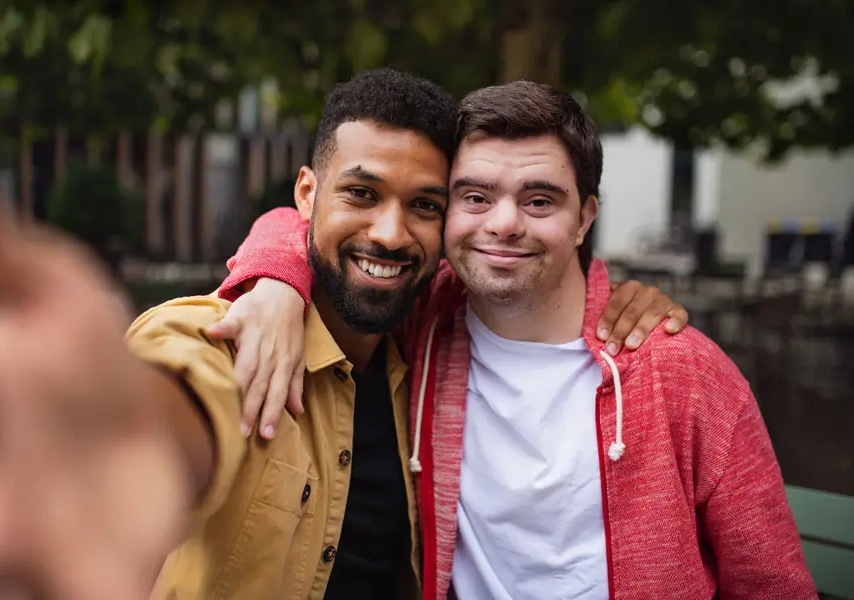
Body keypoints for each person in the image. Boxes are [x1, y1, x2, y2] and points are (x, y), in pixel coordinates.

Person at [0, 71, 682, 600]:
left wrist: (610, 298)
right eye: (361, 194)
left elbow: (530, 273)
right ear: (305, 193)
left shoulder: (431, 350)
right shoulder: (234, 335)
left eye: (425, 204)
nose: (390, 233)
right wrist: (120, 429)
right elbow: (184, 391)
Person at [212, 81, 817, 599]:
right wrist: (275, 282)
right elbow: (318, 222)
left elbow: (774, 586)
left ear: (584, 218)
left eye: (539, 200)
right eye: (474, 197)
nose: (504, 223)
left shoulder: (681, 372)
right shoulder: (423, 324)